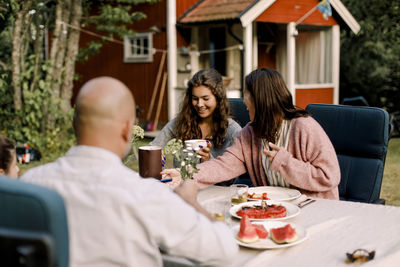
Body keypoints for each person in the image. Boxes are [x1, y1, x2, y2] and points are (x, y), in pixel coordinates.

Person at [21, 77, 238, 267]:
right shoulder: (147, 195)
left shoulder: (30, 185)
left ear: (74, 124)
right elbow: (224, 249)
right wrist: (190, 201)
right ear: (127, 128)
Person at [163, 68, 341, 199]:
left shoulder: (304, 127)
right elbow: (222, 166)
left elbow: (330, 176)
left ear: (260, 99)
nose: (244, 101)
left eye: (246, 95)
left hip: (315, 207)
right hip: (273, 208)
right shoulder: (250, 133)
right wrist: (183, 174)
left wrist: (285, 162)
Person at [149, 69, 241, 163]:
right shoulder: (182, 121)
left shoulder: (232, 130)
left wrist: (208, 160)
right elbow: (152, 147)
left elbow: (236, 172)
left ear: (218, 98)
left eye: (205, 98)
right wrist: (155, 153)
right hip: (181, 177)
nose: (199, 104)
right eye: (195, 98)